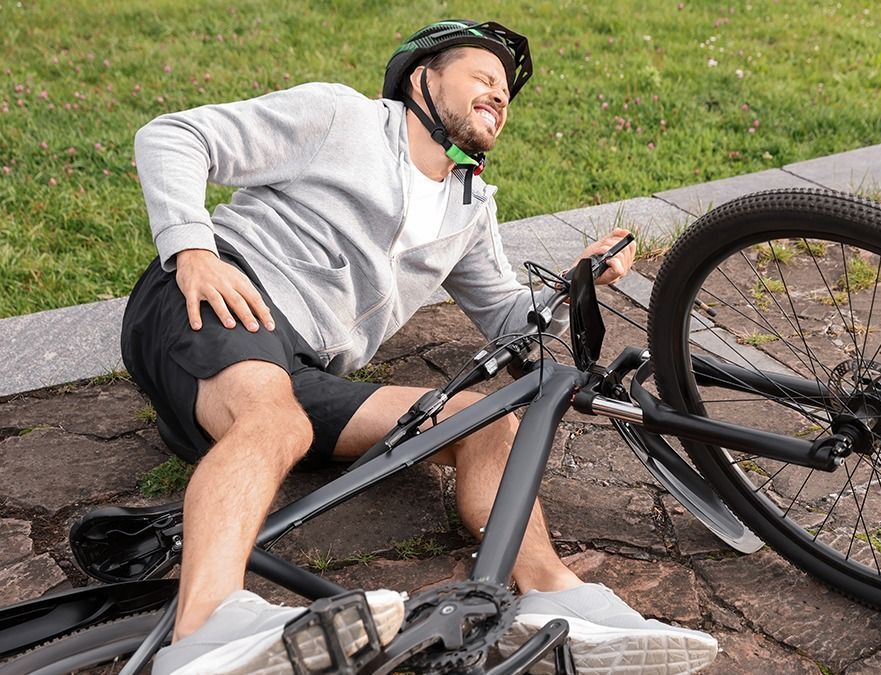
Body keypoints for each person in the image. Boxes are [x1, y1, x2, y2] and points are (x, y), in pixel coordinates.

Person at [121, 19, 718, 675]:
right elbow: (175, 135)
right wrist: (192, 250)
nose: (499, 96)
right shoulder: (342, 118)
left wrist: (581, 280)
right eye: (483, 78)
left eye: (507, 95)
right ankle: (202, 625)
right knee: (275, 417)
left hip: (300, 369)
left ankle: (553, 594)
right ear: (422, 77)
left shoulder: (470, 207)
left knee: (490, 423)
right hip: (215, 300)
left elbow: (514, 328)